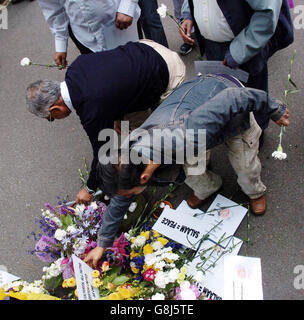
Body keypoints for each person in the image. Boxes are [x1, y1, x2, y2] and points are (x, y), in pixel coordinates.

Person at [84, 73, 289, 267]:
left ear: (145, 176)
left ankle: (255, 191)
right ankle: (209, 187)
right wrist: (103, 244)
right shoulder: (127, 157)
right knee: (193, 170)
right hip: (193, 122)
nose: (124, 198)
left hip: (229, 106)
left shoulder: (184, 135)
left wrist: (274, 108)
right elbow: (120, 195)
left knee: (245, 166)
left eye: (128, 195)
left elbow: (234, 97)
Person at [25, 40, 186, 205]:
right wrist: (116, 117)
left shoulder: (91, 110)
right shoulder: (76, 68)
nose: (53, 120)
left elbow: (103, 152)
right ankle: (152, 154)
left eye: (51, 118)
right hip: (145, 49)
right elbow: (110, 82)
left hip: (168, 71)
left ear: (55, 110)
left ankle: (188, 173)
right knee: (132, 129)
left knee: (177, 132)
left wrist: (89, 188)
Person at [179, 0, 293, 133]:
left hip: (246, 45)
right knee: (222, 94)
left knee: (251, 97)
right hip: (212, 44)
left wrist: (240, 50)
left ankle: (256, 135)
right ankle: (232, 129)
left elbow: (267, 13)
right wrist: (188, 14)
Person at [37, 0, 141, 67]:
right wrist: (61, 43)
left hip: (121, 23)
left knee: (140, 69)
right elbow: (53, 9)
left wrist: (128, 6)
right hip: (86, 39)